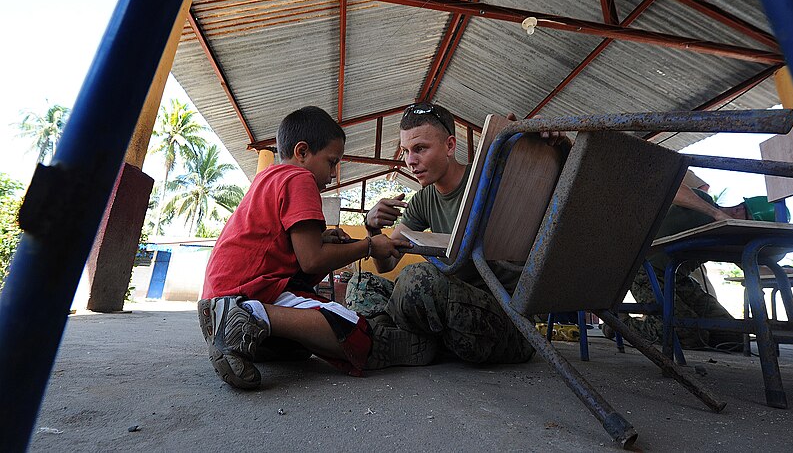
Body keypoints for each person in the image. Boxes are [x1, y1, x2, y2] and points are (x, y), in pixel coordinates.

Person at [197, 106, 434, 390]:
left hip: (222, 290)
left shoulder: (269, 178)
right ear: (302, 152)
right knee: (354, 330)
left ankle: (239, 330)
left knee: (297, 350)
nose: (334, 174)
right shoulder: (300, 178)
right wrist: (368, 245)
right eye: (331, 162)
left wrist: (325, 239)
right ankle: (247, 316)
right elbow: (311, 261)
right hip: (250, 290)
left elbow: (289, 247)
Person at [345, 102, 567, 365]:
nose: (410, 161)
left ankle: (402, 339)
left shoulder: (491, 173)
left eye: (420, 149)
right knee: (360, 284)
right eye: (406, 151)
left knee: (418, 279)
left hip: (505, 323)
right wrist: (373, 229)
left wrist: (555, 142)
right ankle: (416, 343)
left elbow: (562, 181)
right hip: (452, 309)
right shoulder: (422, 200)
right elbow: (387, 264)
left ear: (450, 146)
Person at [618, 184, 778, 350]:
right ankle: (619, 325)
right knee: (686, 335)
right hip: (644, 271)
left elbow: (749, 265)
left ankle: (668, 327)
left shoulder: (728, 238)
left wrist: (779, 271)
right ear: (738, 210)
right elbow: (672, 188)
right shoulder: (703, 202)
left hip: (677, 278)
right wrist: (716, 214)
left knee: (734, 336)